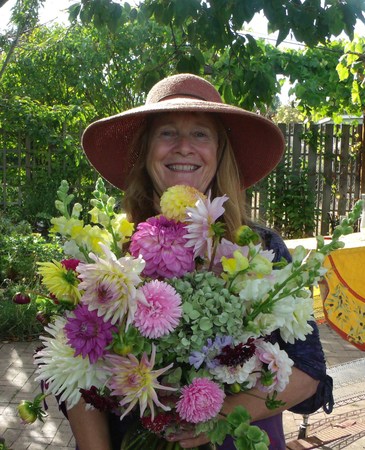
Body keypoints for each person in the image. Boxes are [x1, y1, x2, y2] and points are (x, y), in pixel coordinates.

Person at [68, 73, 333, 450]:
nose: (183, 147)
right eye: (167, 133)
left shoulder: (261, 248)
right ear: (146, 152)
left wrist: (217, 417)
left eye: (200, 134)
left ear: (219, 152)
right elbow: (72, 365)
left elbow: (308, 370)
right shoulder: (110, 250)